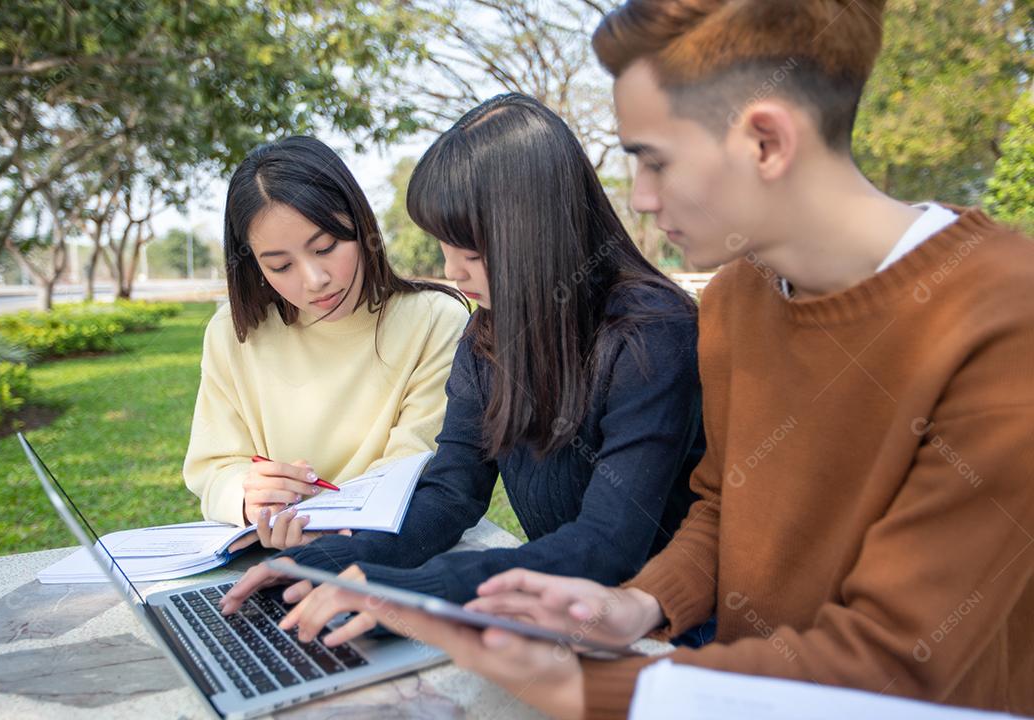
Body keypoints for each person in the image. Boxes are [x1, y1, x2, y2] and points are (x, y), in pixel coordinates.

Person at [261, 2, 1034, 718]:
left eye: (654, 161)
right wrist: (638, 604)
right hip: (713, 670)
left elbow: (898, 665)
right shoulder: (737, 300)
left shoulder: (1005, 317)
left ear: (766, 142)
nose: (637, 198)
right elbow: (721, 510)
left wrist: (561, 674)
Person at [219, 94, 707, 636]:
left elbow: (605, 544)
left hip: (677, 634)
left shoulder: (650, 334)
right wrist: (320, 565)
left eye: (472, 252)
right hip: (560, 621)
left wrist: (427, 591)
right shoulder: (487, 338)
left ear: (540, 232)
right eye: (445, 247)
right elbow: (452, 493)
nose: (453, 271)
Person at [184, 136, 469, 549]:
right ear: (255, 266)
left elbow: (415, 466)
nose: (315, 280)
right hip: (275, 554)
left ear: (361, 224)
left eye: (326, 247)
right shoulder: (233, 332)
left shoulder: (434, 319)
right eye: (280, 265)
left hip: (398, 551)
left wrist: (335, 527)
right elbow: (214, 468)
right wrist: (249, 498)